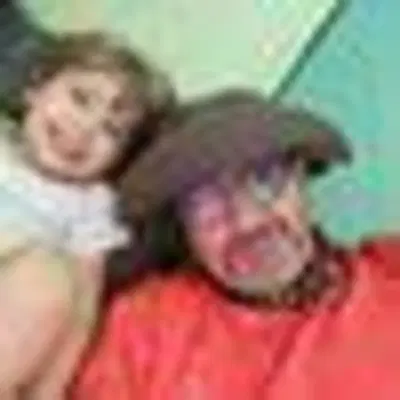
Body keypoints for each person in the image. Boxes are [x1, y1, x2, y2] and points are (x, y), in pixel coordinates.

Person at [72, 89, 400, 400]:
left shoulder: (389, 272)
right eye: (204, 202)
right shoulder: (145, 326)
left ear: (300, 177)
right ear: (182, 228)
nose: (247, 221)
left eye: (265, 178)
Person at [0, 31, 172, 398]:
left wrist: (48, 392)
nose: (84, 129)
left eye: (112, 130)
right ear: (34, 89)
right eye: (80, 98)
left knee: (46, 279)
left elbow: (80, 314)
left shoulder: (90, 206)